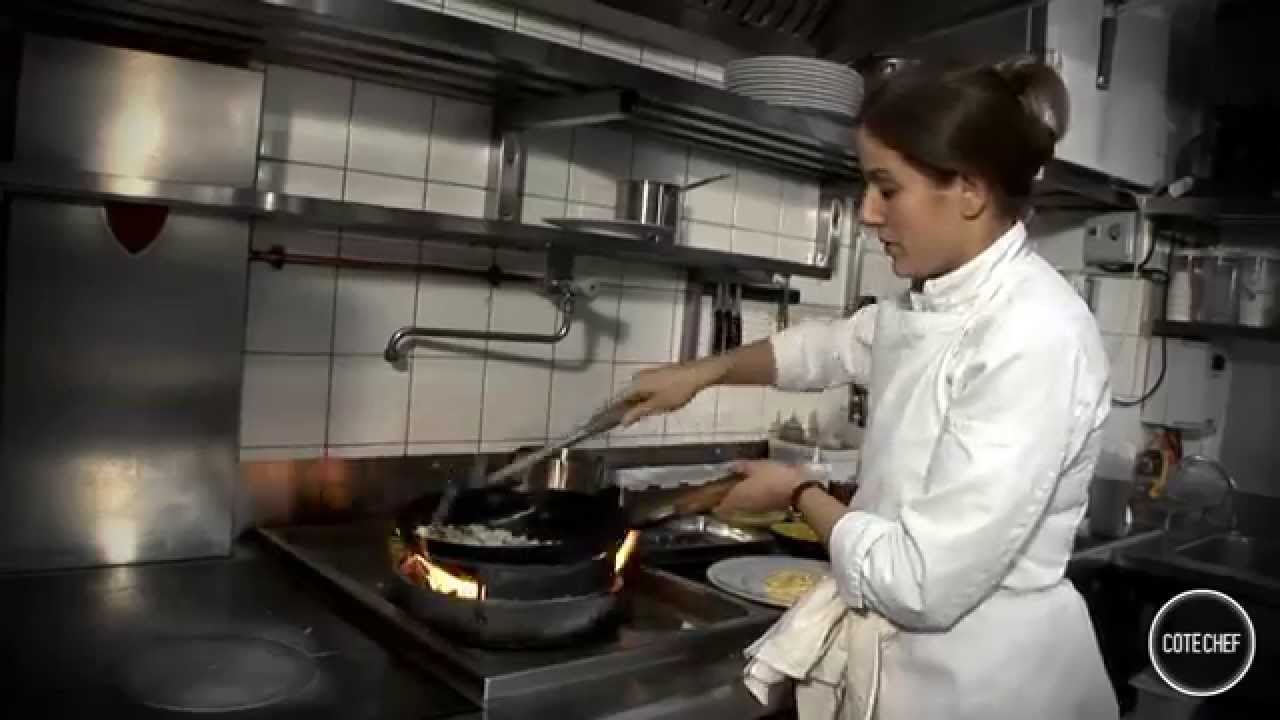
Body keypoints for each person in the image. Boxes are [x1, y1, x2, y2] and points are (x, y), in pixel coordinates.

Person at [622, 57, 1118, 720]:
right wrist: (701, 373)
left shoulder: (1033, 335)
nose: (866, 212)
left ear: (969, 190)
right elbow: (828, 348)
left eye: (887, 188)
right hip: (910, 672)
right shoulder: (938, 301)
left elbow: (919, 583)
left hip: (985, 690)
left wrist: (795, 493)